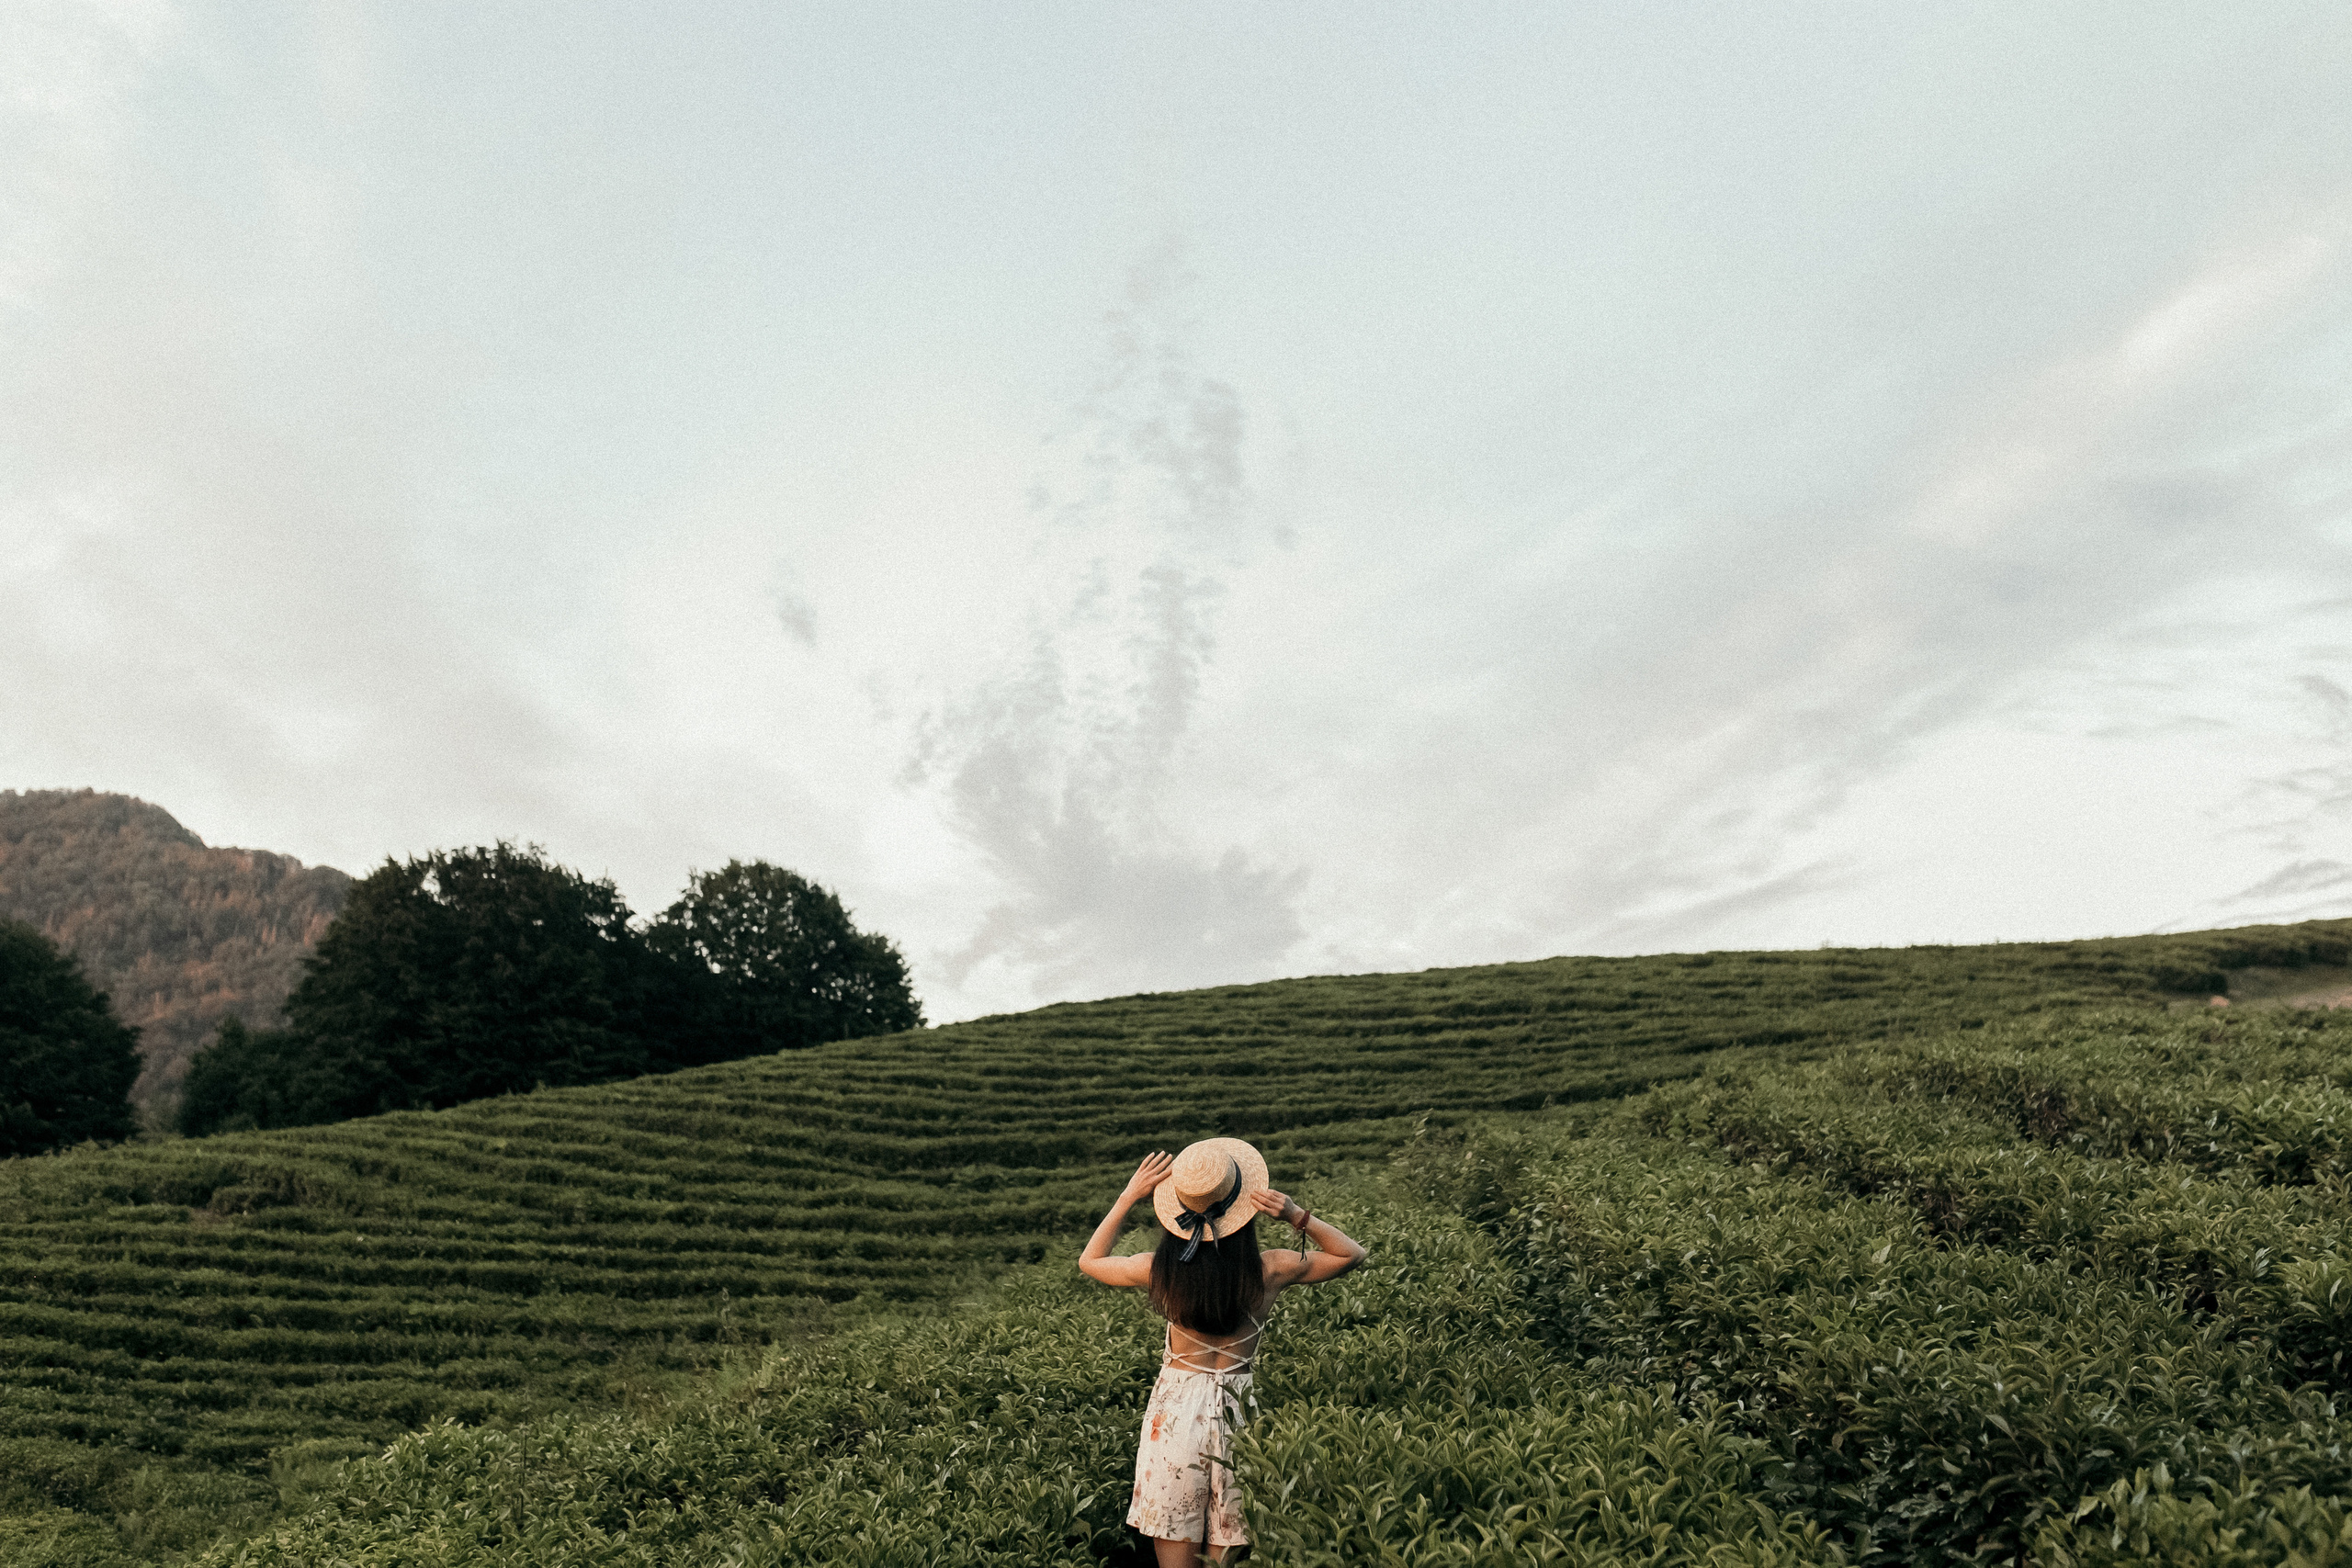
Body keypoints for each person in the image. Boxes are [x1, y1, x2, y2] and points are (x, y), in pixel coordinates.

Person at [1079, 1138, 1370, 1565]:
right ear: (1243, 1209)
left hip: (1175, 1416)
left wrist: (1128, 1196)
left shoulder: (1158, 1269)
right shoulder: (1269, 1269)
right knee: (1227, 1553)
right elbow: (1351, 1254)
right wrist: (1294, 1214)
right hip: (1236, 1412)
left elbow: (1090, 1260)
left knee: (1175, 1551)